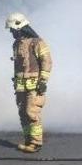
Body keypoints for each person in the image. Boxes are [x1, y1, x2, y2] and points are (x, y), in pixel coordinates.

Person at [6, 12, 52, 153]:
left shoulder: (37, 43)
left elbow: (47, 61)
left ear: (20, 26)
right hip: (20, 86)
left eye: (13, 29)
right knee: (23, 113)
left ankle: (36, 143)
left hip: (34, 86)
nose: (12, 32)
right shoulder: (16, 44)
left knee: (31, 112)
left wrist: (43, 81)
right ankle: (28, 140)